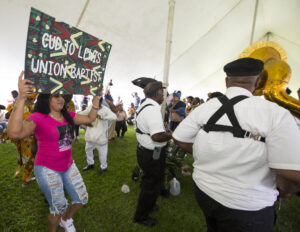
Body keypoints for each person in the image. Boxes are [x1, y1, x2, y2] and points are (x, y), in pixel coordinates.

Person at [172, 57, 300, 232]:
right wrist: (284, 192)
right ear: (258, 82)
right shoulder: (276, 114)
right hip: (247, 206)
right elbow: (291, 173)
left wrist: (204, 152)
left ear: (226, 81)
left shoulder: (205, 108)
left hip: (204, 190)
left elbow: (179, 137)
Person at [7, 71, 102, 232]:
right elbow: (14, 133)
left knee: (81, 198)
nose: (61, 99)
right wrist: (21, 98)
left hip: (68, 165)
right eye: (55, 96)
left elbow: (90, 119)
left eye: (62, 96)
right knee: (58, 206)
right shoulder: (38, 117)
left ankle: (66, 220)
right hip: (47, 169)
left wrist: (95, 102)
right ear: (46, 99)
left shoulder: (68, 115)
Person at [133, 81, 172, 227]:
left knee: (152, 182)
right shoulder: (153, 109)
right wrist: (172, 135)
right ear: (157, 94)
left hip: (145, 150)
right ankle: (141, 216)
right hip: (151, 154)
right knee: (151, 185)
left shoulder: (144, 105)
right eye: (163, 93)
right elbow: (157, 136)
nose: (164, 96)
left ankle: (149, 205)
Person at [79, 98, 116, 175]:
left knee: (102, 153)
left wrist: (103, 118)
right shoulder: (90, 107)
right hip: (90, 135)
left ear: (100, 102)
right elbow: (83, 112)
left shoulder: (105, 109)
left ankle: (103, 167)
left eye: (95, 102)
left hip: (100, 136)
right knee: (88, 149)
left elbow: (114, 117)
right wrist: (75, 114)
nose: (94, 103)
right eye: (93, 101)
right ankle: (90, 164)